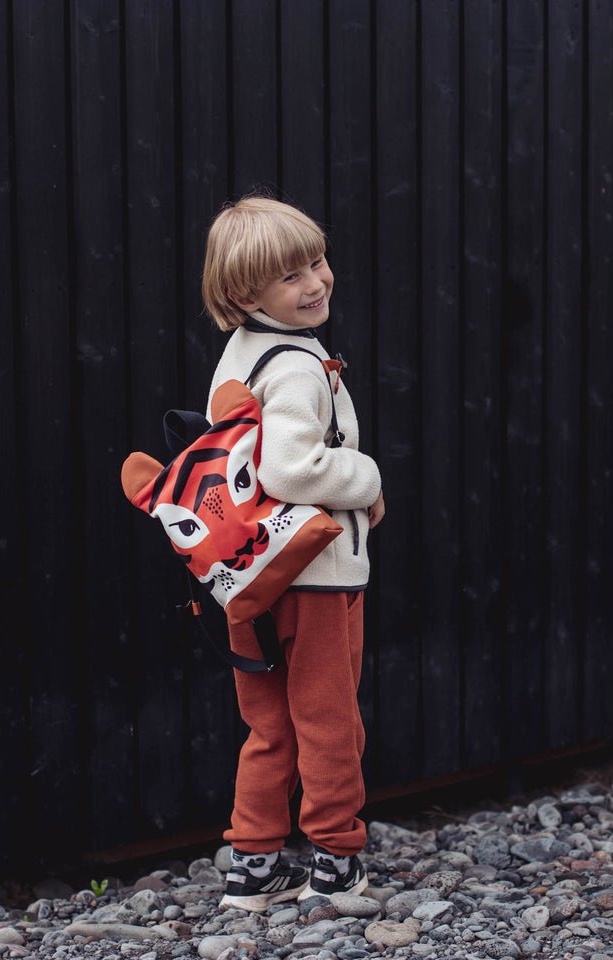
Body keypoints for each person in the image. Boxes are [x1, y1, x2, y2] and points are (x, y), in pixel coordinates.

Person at [201, 195, 385, 912]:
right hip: (315, 573)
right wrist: (366, 478)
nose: (315, 282)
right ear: (246, 293)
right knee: (329, 717)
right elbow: (291, 468)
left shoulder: (238, 355)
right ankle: (337, 860)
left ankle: (254, 866)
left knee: (269, 723)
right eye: (290, 276)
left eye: (317, 261)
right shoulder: (301, 366)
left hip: (246, 572)